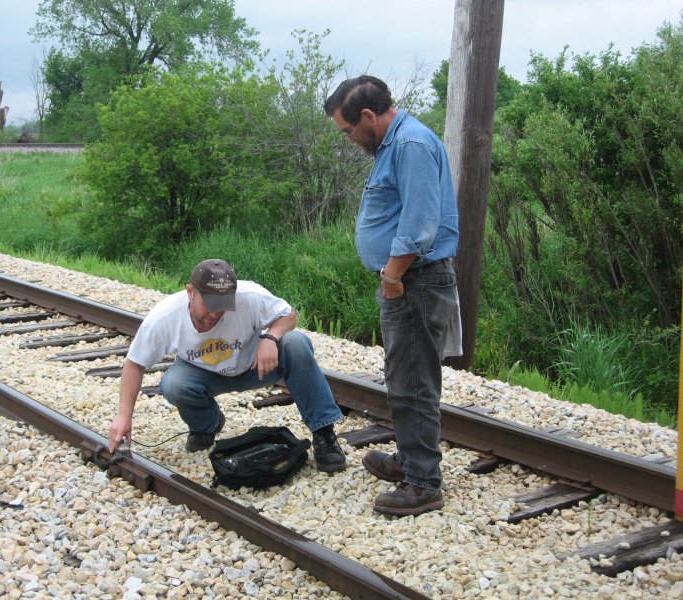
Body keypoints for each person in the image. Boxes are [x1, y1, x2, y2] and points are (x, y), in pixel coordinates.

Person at [324, 75, 461, 516]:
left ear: (368, 115)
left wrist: (392, 276)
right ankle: (410, 459)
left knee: (414, 382)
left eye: (348, 130)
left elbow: (420, 223)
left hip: (414, 280)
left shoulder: (410, 144)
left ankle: (422, 484)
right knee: (405, 376)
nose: (349, 139)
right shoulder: (394, 144)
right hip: (407, 280)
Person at [107, 259, 347, 473]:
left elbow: (290, 315)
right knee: (174, 384)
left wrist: (271, 337)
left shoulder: (249, 296)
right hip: (204, 374)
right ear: (190, 292)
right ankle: (206, 426)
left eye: (223, 304)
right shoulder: (165, 317)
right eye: (209, 304)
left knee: (296, 343)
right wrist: (124, 416)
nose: (216, 312)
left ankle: (324, 434)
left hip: (255, 365)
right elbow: (135, 363)